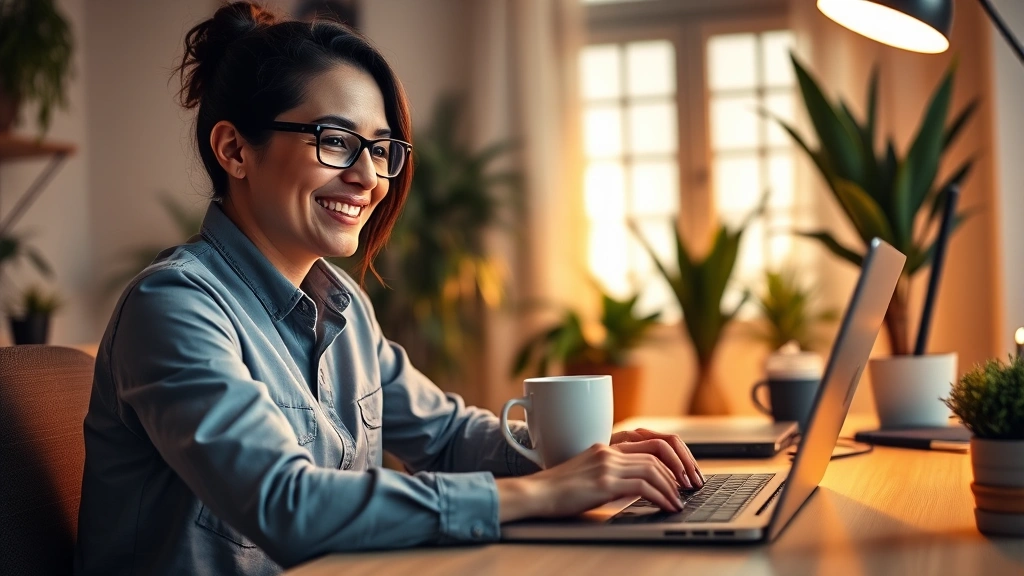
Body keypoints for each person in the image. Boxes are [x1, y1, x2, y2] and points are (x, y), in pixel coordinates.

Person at [74, 3, 703, 575]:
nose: (369, 177)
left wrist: (579, 457)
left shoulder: (347, 312)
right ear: (235, 150)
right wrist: (547, 491)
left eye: (380, 149)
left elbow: (449, 438)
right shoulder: (176, 308)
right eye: (337, 142)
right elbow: (284, 503)